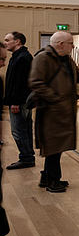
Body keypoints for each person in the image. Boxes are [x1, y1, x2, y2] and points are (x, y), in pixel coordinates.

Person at [29, 31, 79, 193]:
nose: (73, 46)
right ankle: (53, 181)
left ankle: (47, 178)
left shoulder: (67, 60)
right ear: (60, 44)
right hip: (51, 112)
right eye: (71, 43)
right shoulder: (43, 58)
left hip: (63, 111)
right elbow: (35, 82)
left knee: (56, 147)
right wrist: (56, 98)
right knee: (54, 147)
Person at [4, 32, 35, 170]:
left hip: (20, 101)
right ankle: (28, 157)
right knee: (24, 129)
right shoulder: (19, 56)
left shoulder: (22, 58)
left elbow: (20, 83)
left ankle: (26, 158)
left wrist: (15, 102)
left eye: (7, 40)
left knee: (19, 131)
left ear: (17, 41)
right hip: (21, 100)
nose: (5, 43)